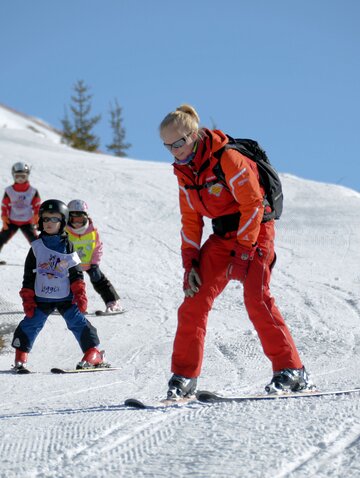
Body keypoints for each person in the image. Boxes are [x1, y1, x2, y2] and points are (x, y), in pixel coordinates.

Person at [159, 104, 313, 398]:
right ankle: (184, 376)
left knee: (257, 298)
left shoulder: (227, 157)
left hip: (255, 232)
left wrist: (244, 250)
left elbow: (253, 204)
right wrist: (190, 263)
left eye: (179, 143)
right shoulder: (184, 172)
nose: (175, 151)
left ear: (193, 135)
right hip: (223, 237)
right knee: (193, 301)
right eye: (168, 146)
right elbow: (191, 219)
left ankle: (291, 370)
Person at [11, 199, 108, 372]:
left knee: (78, 323)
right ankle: (21, 356)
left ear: (62, 222)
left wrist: (79, 292)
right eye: (46, 219)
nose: (49, 223)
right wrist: (27, 296)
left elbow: (75, 271)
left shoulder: (67, 245)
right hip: (42, 297)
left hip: (66, 298)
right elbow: (28, 275)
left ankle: (93, 353)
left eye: (54, 219)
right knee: (31, 323)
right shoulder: (36, 247)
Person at [65, 199, 123, 314]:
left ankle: (113, 302)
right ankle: (69, 304)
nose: (77, 223)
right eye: (74, 219)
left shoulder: (92, 232)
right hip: (71, 265)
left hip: (89, 263)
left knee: (100, 281)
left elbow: (97, 248)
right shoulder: (65, 231)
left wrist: (95, 264)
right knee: (70, 283)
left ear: (86, 217)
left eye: (80, 219)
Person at [0, 162, 41, 258]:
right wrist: (4, 216)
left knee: (35, 241)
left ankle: (42, 260)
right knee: (1, 238)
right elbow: (4, 205)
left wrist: (36, 215)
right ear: (13, 176)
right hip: (12, 220)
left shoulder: (32, 191)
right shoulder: (9, 190)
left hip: (27, 221)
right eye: (17, 176)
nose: (20, 179)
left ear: (27, 176)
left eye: (23, 176)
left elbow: (37, 205)